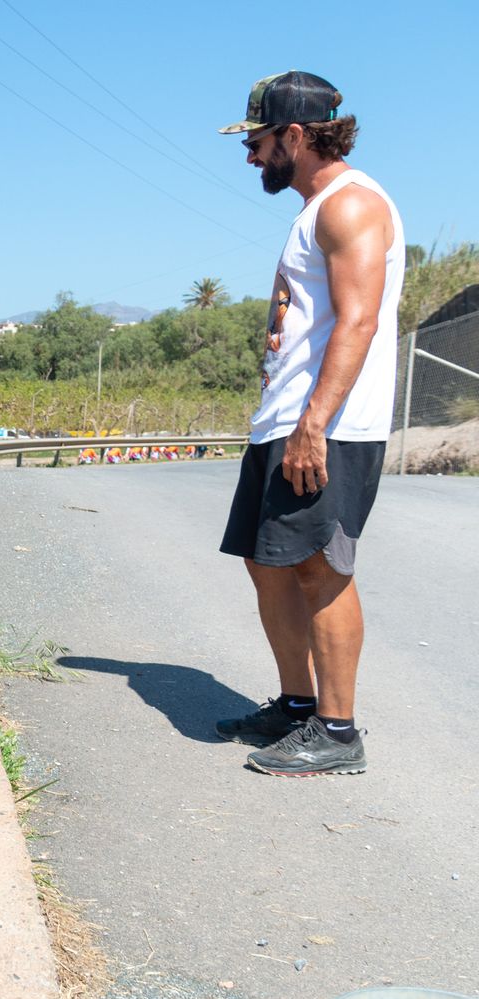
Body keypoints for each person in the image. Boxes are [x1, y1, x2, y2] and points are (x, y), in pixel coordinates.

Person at [211, 71, 404, 777]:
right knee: (269, 564)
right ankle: (297, 707)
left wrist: (314, 423)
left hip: (326, 425)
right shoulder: (316, 208)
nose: (251, 156)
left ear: (295, 135)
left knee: (322, 569)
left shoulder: (349, 206)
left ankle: (338, 730)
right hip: (285, 416)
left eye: (257, 140)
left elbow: (359, 319)